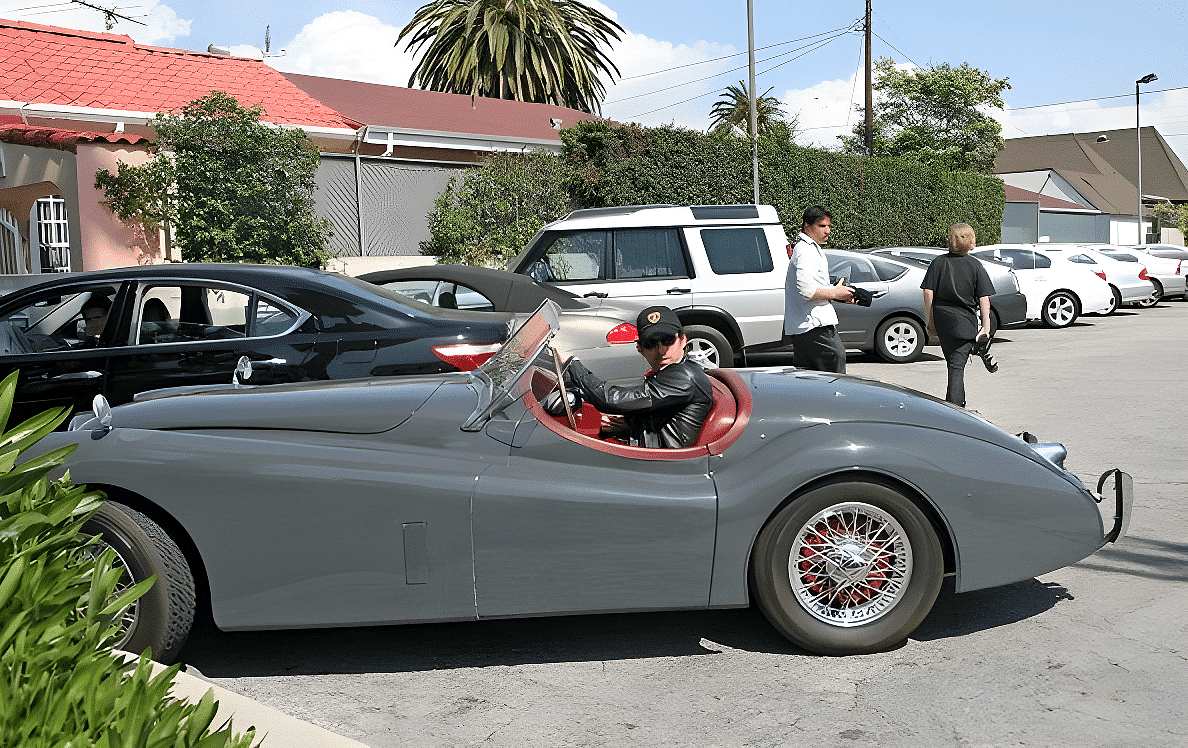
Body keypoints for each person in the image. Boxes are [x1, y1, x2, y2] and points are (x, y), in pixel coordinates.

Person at [559, 305, 714, 449]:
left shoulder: (684, 377)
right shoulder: (675, 371)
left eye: (668, 340)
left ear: (683, 340)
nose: (661, 350)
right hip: (650, 449)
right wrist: (630, 424)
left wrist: (571, 365)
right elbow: (662, 416)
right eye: (651, 343)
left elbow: (610, 399)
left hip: (661, 464)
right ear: (640, 348)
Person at [921, 223, 996, 407]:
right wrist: (985, 326)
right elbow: (984, 298)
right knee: (956, 369)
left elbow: (928, 293)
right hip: (964, 323)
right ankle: (955, 411)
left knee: (954, 364)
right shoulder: (975, 265)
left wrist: (930, 321)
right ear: (971, 241)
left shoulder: (939, 262)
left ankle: (974, 349)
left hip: (944, 321)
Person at [783, 205, 854, 373]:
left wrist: (838, 294)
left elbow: (812, 287)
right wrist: (836, 293)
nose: (827, 231)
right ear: (807, 225)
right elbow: (806, 290)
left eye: (829, 226)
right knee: (835, 358)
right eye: (822, 226)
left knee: (809, 375)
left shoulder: (809, 248)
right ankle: (834, 399)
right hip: (813, 324)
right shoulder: (806, 250)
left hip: (807, 325)